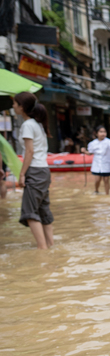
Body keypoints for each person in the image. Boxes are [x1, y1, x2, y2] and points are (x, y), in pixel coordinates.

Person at [13, 92, 54, 249]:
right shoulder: (38, 124)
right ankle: (50, 246)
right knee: (43, 209)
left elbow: (29, 152)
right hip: (43, 170)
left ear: (22, 107)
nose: (13, 106)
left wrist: (22, 173)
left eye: (15, 103)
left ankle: (42, 250)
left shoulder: (27, 125)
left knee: (30, 212)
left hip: (35, 171)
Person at [81, 125, 110, 195]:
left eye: (104, 132)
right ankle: (96, 191)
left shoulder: (109, 142)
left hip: (106, 164)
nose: (103, 133)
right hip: (97, 164)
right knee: (97, 179)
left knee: (106, 180)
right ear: (96, 133)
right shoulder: (92, 143)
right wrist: (84, 151)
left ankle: (107, 194)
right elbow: (90, 153)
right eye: (101, 132)